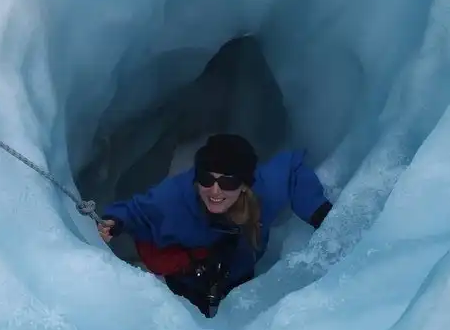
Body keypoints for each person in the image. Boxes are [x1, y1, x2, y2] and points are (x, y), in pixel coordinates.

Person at [98, 134, 332, 318]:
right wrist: (115, 222)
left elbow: (292, 167)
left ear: (244, 185)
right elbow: (135, 211)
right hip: (188, 280)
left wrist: (318, 211)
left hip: (240, 273)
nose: (215, 191)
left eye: (227, 181)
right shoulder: (175, 197)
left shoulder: (263, 192)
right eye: (207, 179)